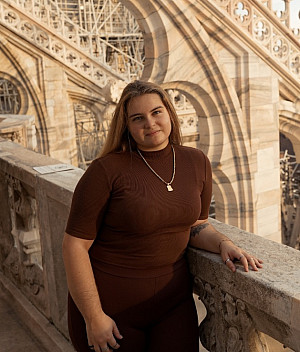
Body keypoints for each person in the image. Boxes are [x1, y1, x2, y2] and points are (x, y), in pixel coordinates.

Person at [62, 80, 263, 352]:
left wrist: (222, 243)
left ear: (169, 112)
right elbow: (75, 246)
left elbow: (196, 224)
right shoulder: (105, 171)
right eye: (138, 118)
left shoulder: (196, 161)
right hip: (112, 313)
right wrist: (93, 317)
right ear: (127, 126)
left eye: (156, 112)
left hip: (173, 308)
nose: (150, 123)